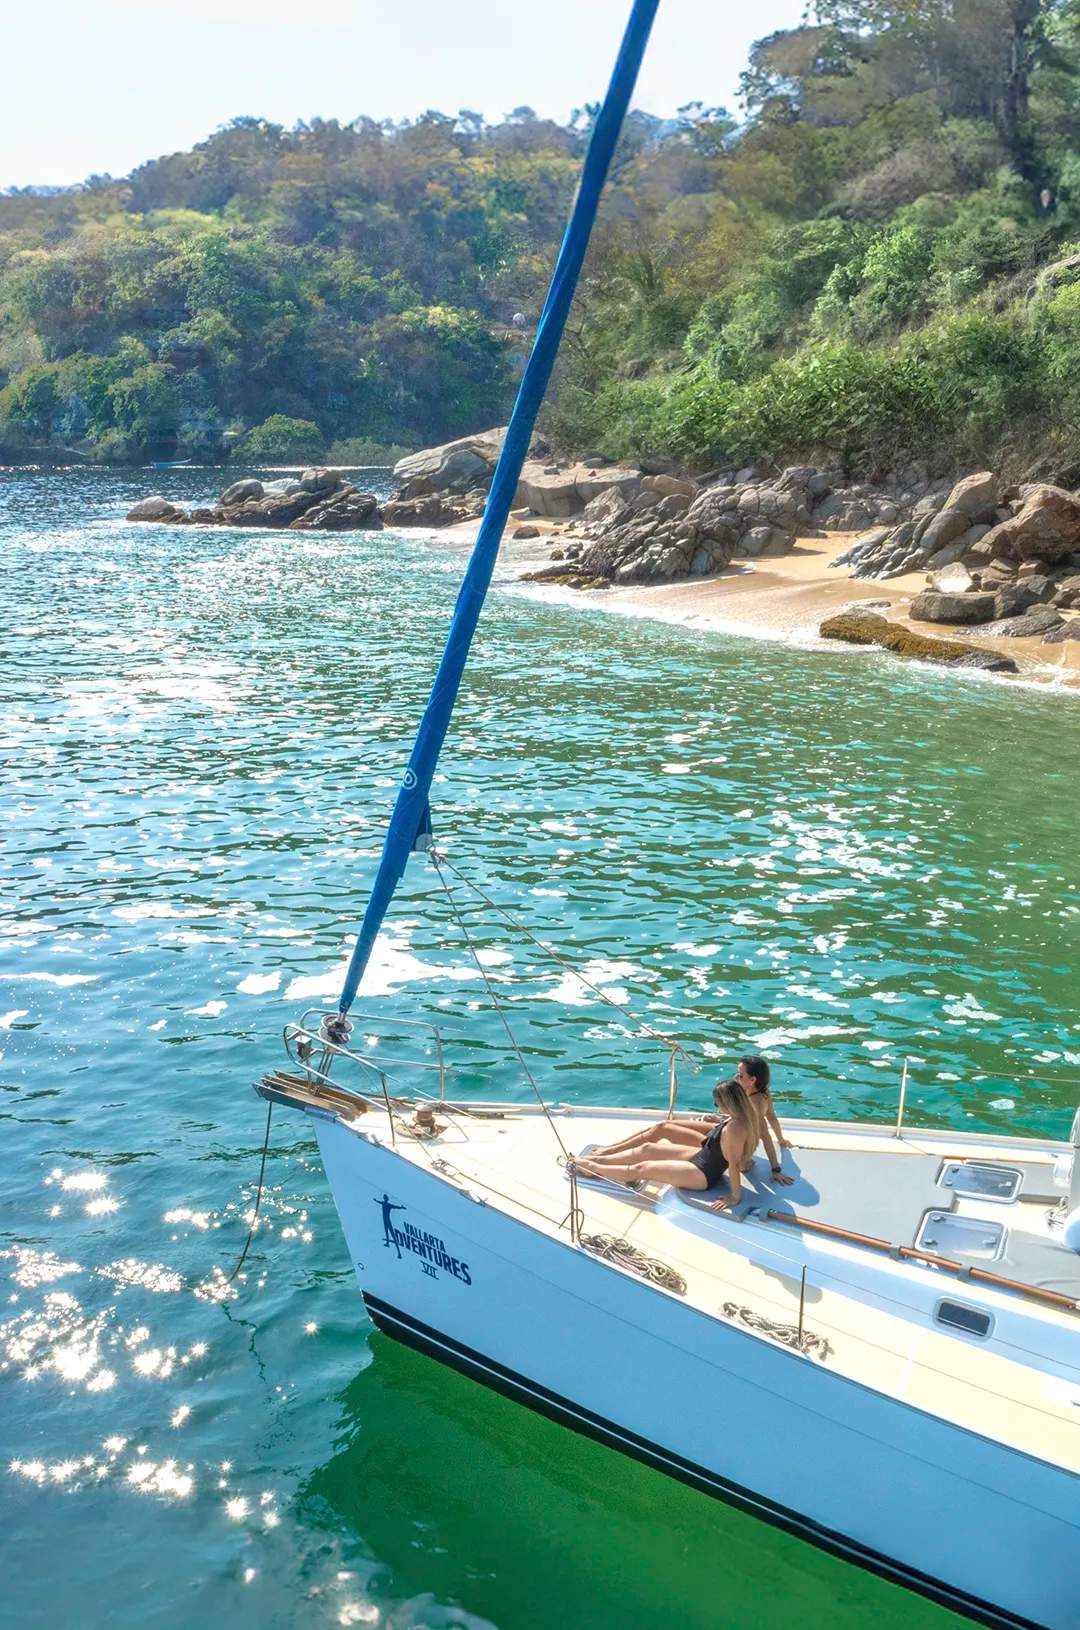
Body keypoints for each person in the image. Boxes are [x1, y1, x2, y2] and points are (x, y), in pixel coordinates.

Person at [587, 1053, 793, 1185]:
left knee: (659, 1133)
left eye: (739, 1075)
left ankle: (606, 1155)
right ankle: (609, 1151)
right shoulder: (761, 1094)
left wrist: (775, 1169)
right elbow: (773, 1119)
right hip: (720, 1130)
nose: (735, 1077)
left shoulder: (753, 1106)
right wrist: (782, 1140)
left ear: (752, 1079)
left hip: (723, 1145)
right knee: (663, 1126)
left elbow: (764, 1133)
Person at [570, 1077, 757, 1211]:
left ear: (728, 1102)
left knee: (642, 1168)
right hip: (703, 1157)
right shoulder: (737, 1117)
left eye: (718, 1102)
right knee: (648, 1149)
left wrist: (734, 1197)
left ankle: (592, 1167)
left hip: (703, 1174)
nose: (716, 1106)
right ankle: (603, 1158)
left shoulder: (735, 1128)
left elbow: (733, 1164)